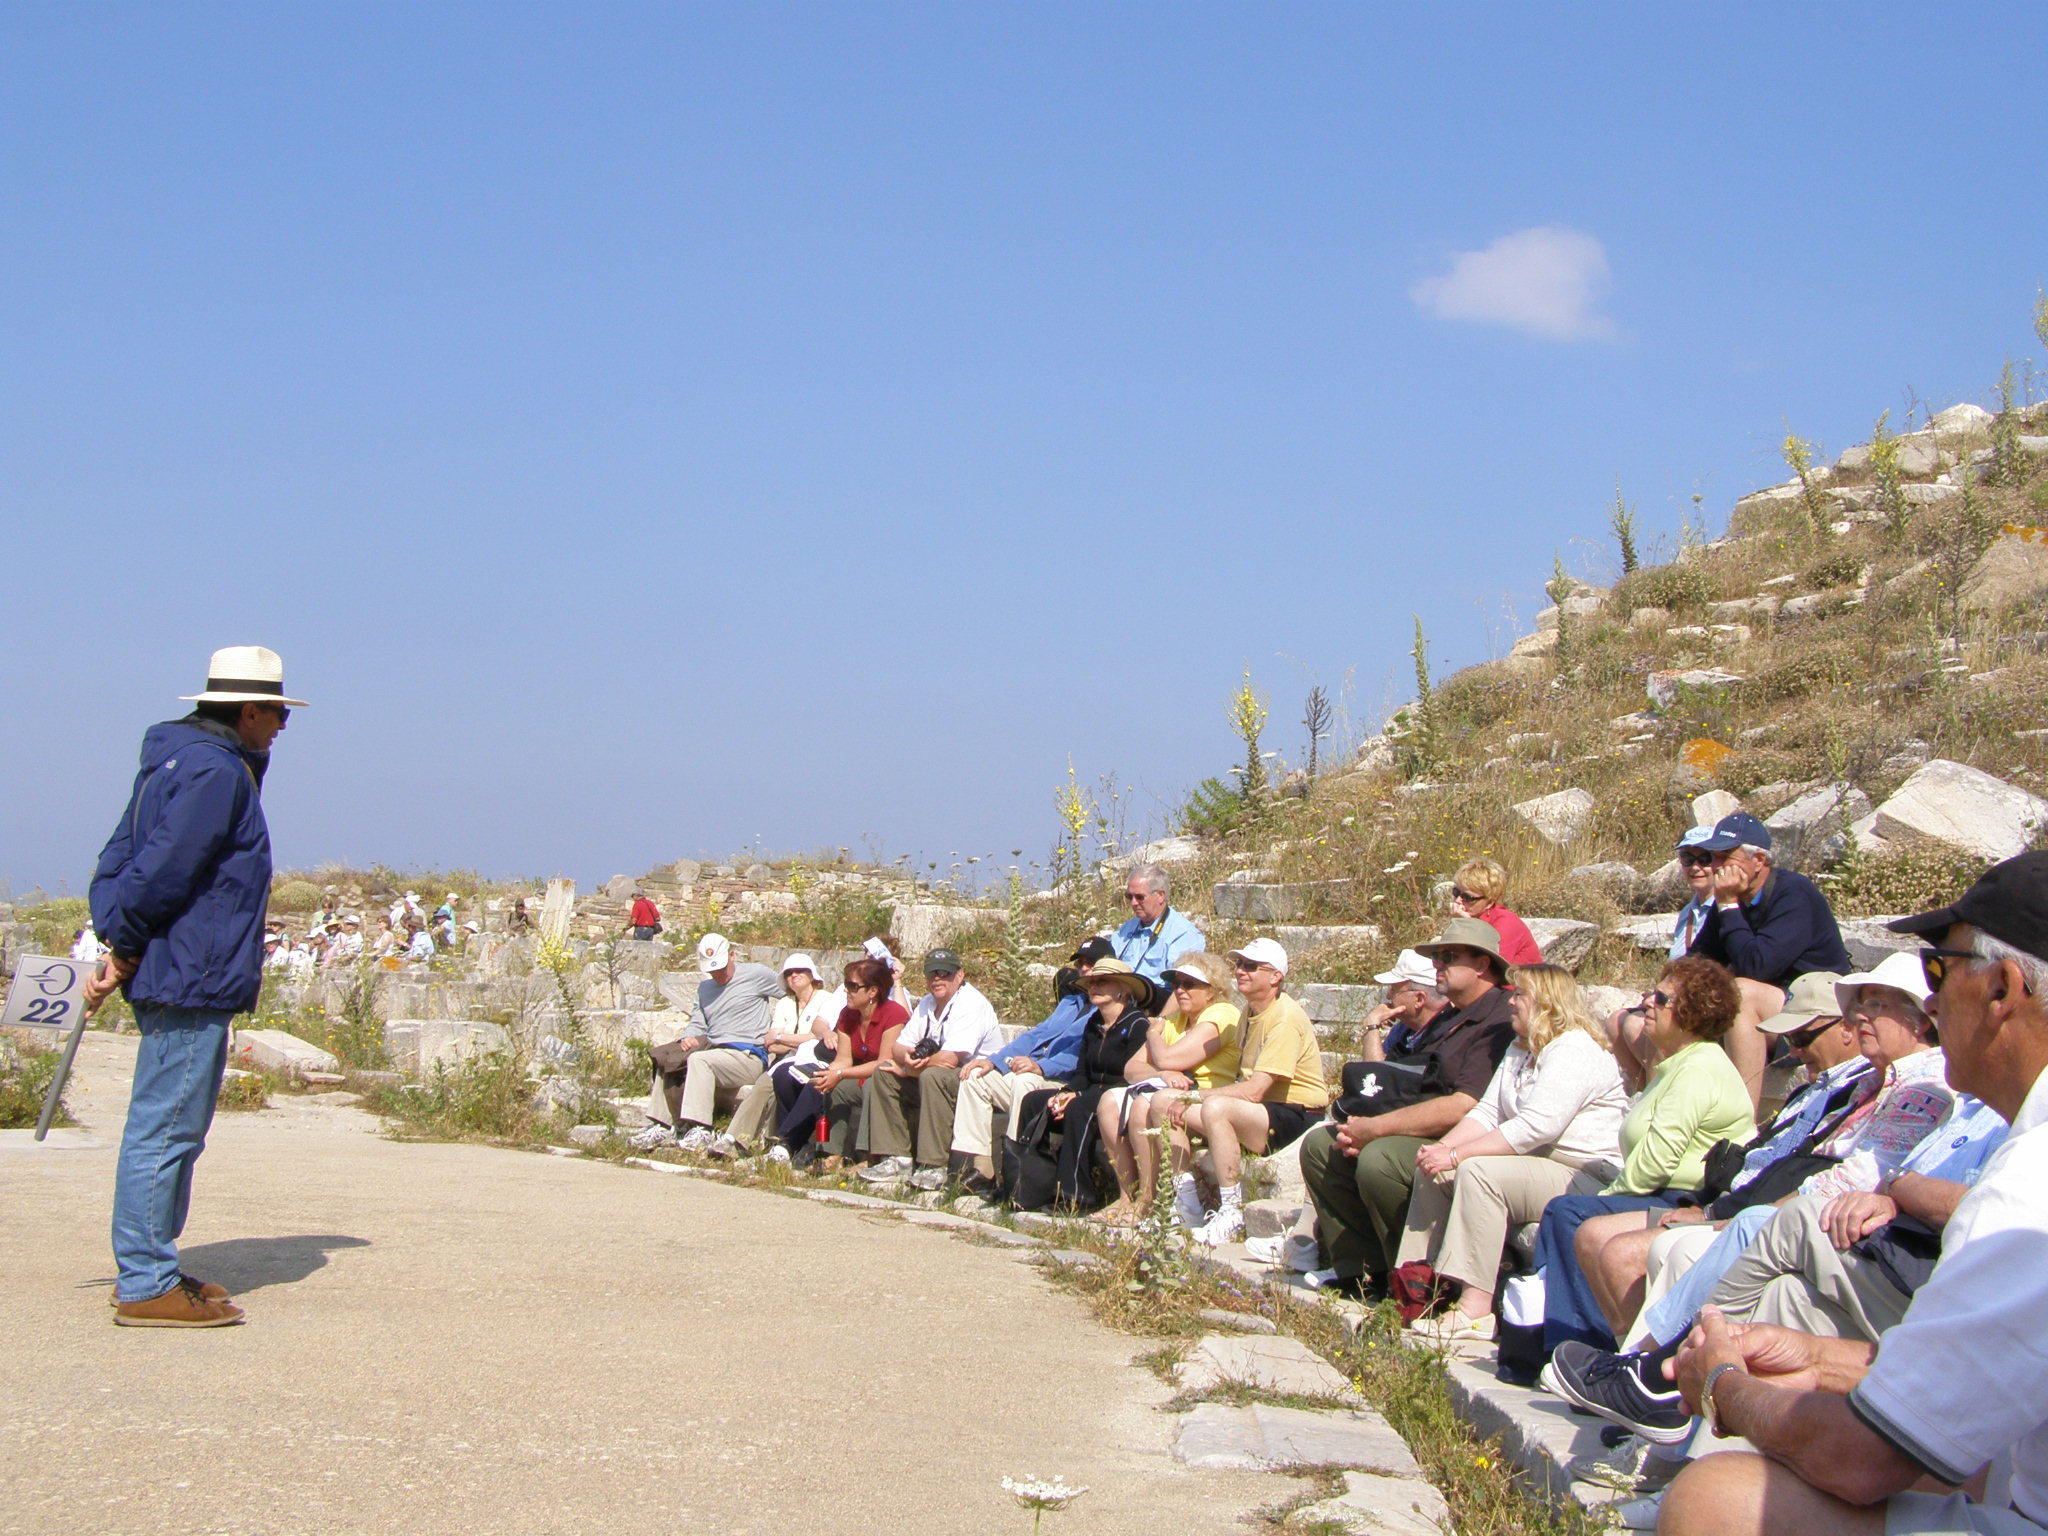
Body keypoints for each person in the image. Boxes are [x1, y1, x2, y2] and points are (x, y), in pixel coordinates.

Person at [1653, 851, 2048, 1536]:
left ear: (2002, 987)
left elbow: (1860, 1460)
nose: (1929, 1002)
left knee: (1717, 1499)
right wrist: (1819, 1358)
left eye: (1938, 970)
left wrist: (1722, 1387)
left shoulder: (2025, 1188)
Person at [84, 644, 306, 1328]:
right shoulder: (216, 772)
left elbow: (119, 858)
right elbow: (164, 871)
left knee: (172, 1126)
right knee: (167, 1129)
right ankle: (147, 1281)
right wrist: (124, 944)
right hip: (191, 972)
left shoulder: (173, 762)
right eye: (276, 712)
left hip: (172, 963)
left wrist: (117, 935)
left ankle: (153, 1260)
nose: (282, 727)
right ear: (247, 710)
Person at [1530, 955, 1758, 1359]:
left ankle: (1581, 1350)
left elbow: (1656, 1163)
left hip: (1685, 1197)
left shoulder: (1698, 1070)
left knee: (1570, 1214)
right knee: (1567, 1211)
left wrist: (1606, 1200)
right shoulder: (1676, 1066)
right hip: (1662, 1191)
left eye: (1662, 999)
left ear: (1691, 1014)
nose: (1648, 1003)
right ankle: (1559, 1347)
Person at [1396, 963, 1629, 1343]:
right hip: (1535, 1163)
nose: (1512, 1003)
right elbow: (1488, 1112)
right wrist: (1441, 1149)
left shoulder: (1574, 1049)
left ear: (1548, 1003)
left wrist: (1458, 1156)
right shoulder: (1520, 1047)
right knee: (1434, 1170)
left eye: (1520, 995)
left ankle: (1475, 1308)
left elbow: (1537, 1126)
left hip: (1583, 1173)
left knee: (1478, 1173)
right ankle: (1414, 1284)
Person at [1296, 918, 1519, 1295]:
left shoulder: (1497, 1018)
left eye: (1449, 957)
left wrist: (1376, 1129)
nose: (1438, 966)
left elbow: (1465, 1105)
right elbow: (1392, 1075)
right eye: (1437, 958)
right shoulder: (1448, 1016)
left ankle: (1417, 1275)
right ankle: (1363, 1271)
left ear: (1482, 965)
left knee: (1379, 1158)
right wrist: (1364, 1124)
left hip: (1461, 1137)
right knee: (1320, 1147)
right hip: (1418, 1122)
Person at [1164, 938, 1332, 1246]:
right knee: (1164, 1104)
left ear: (1275, 976)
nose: (1241, 971)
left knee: (1216, 1108)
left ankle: (1232, 1209)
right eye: (1239, 965)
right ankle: (1185, 1203)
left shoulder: (1284, 1018)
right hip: (1266, 1110)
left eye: (1251, 966)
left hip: (1296, 1113)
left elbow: (1255, 1090)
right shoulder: (1250, 1013)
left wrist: (1196, 1096)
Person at [1685, 811, 1853, 1110]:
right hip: (1775, 1002)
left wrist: (1728, 906)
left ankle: (1741, 1118)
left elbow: (1757, 967)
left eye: (1726, 857)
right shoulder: (1734, 898)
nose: (1717, 867)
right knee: (1635, 1019)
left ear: (1759, 860)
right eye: (1714, 858)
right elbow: (1697, 962)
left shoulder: (1793, 893)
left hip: (1815, 1006)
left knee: (1741, 992)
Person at [948, 937, 1106, 1197]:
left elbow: (1083, 1056)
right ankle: (980, 1169)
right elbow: (1036, 1034)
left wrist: (1041, 1066)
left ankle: (1016, 1173)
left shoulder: (1103, 1010)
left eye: (1092, 964)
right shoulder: (1071, 1002)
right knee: (974, 1077)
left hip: (1059, 1079)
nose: (1085, 970)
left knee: (1025, 1083)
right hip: (1035, 1069)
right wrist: (993, 1061)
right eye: (1081, 964)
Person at [1095, 950, 1243, 1223]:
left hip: (1206, 1091)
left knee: (1144, 1103)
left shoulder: (1222, 1014)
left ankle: (1149, 1198)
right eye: (1176, 984)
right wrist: (1164, 1073)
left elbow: (1167, 1057)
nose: (1180, 990)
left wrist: (1153, 1036)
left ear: (1212, 990)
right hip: (1168, 1088)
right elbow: (1132, 1069)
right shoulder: (1176, 1021)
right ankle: (1127, 1195)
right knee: (1109, 1101)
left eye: (1189, 984)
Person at [1011, 959, 1153, 1210]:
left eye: (1103, 982)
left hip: (1118, 1094)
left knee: (1081, 1109)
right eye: (1092, 983)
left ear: (1122, 989)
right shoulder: (1093, 1023)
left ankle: (1076, 1196)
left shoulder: (1137, 1025)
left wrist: (1079, 1097)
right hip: (1089, 1090)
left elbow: (1130, 1075)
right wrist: (1068, 1092)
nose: (1094, 987)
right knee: (1035, 1101)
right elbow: (1082, 1072)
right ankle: (1029, 1184)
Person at [859, 949, 1005, 1188]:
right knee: (884, 1073)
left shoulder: (972, 1004)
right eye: (931, 974)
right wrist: (906, 1058)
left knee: (933, 1076)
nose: (937, 979)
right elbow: (898, 1047)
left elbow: (950, 1060)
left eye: (944, 973)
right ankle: (896, 1159)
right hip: (934, 1074)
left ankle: (935, 1166)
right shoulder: (927, 1003)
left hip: (975, 1080)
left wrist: (909, 1068)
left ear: (959, 975)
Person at [632, 933, 780, 1154]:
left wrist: (786, 1029)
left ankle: (700, 1128)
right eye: (712, 969)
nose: (717, 973)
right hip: (715, 1051)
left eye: (721, 967)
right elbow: (697, 1023)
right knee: (669, 1060)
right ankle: (661, 1124)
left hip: (747, 1055)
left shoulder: (756, 974)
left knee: (699, 1060)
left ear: (732, 955)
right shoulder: (705, 989)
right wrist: (688, 1037)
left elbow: (791, 992)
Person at [1606, 827, 1722, 1092]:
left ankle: (1660, 1094)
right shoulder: (1688, 912)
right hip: (1675, 991)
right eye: (1687, 859)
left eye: (1704, 859)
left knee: (1646, 1025)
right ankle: (1645, 1091)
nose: (1696, 867)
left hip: (1695, 998)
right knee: (1616, 1022)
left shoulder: (1721, 908)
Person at [768, 956, 907, 1168]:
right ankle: (828, 1152)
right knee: (822, 1084)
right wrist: (826, 1073)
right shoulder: (848, 1015)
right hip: (857, 1073)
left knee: (867, 1085)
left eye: (853, 986)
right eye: (846, 984)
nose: (846, 991)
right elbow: (843, 1059)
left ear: (873, 991)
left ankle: (866, 1155)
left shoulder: (893, 1014)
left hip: (885, 1076)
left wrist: (840, 1074)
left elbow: (883, 1062)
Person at [708, 953, 842, 1158]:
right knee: (764, 1085)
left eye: (799, 971)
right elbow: (771, 1044)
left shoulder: (827, 1000)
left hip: (813, 1060)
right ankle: (734, 1139)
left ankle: (777, 1142)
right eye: (789, 973)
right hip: (784, 1060)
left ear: (811, 974)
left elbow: (817, 1038)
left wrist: (782, 1037)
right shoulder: (785, 1003)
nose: (794, 976)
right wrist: (791, 1039)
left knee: (784, 1083)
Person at [1112, 863, 1206, 998]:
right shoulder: (1127, 929)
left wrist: (1160, 1019)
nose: (1133, 903)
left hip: (1155, 1003)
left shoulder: (1183, 934)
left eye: (1139, 897)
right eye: (1129, 897)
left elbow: (1181, 989)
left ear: (1160, 895)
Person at [1447, 857, 1543, 967]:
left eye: (1468, 898)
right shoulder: (1469, 917)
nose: (1458, 900)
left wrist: (1468, 926)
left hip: (1517, 981)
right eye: (1456, 892)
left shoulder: (1505, 923)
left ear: (1489, 901)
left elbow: (1489, 968)